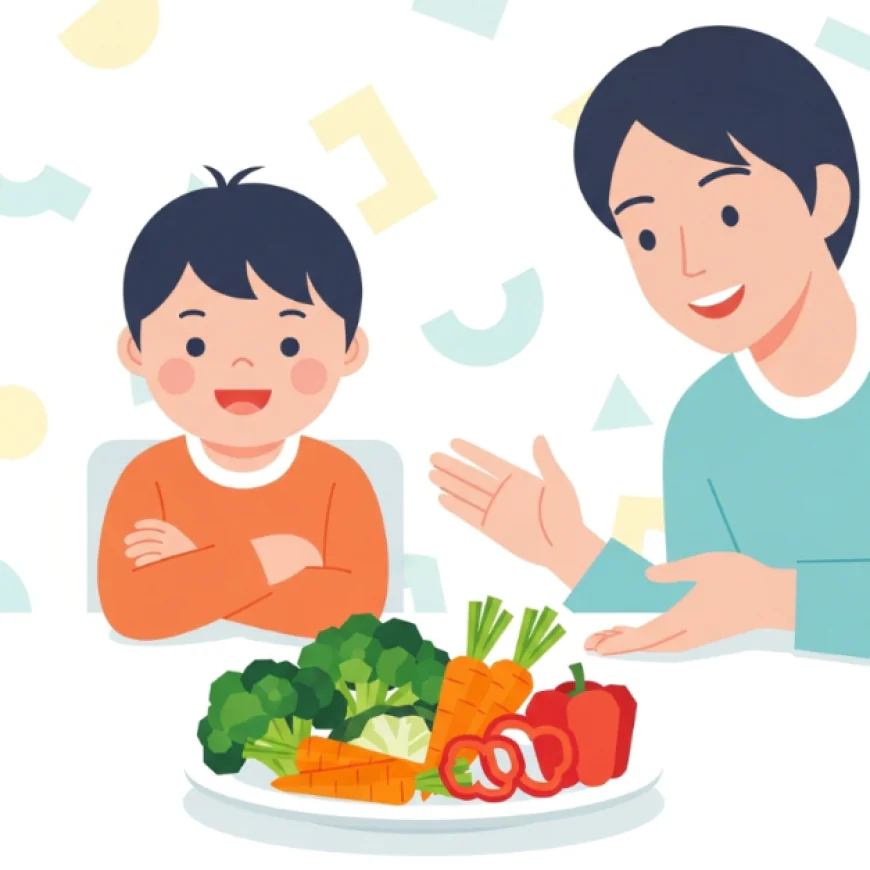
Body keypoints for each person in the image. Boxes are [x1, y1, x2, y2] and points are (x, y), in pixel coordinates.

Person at [430, 25, 870, 659]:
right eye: (649, 238)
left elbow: (753, 603)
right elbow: (709, 612)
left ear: (824, 199)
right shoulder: (708, 422)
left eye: (727, 214)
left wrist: (779, 599)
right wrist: (567, 548)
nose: (689, 265)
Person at [99, 167, 388, 640]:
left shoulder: (339, 479)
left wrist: (196, 568)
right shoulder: (148, 477)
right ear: (137, 351)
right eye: (196, 344)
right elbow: (131, 610)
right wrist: (271, 558)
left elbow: (352, 618)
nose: (241, 368)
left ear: (348, 350)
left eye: (288, 344)